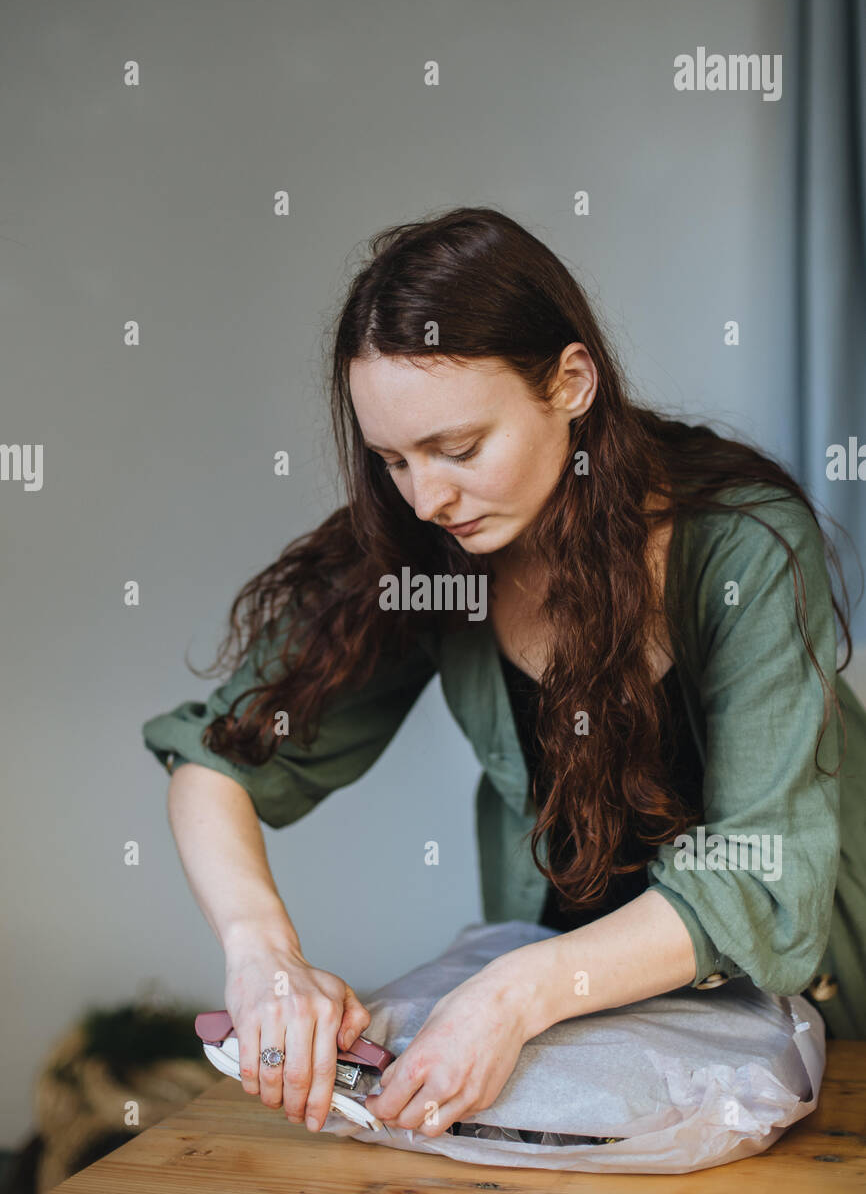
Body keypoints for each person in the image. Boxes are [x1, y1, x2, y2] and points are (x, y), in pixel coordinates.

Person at [142, 206, 866, 1142]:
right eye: (393, 459)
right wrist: (262, 955)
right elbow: (217, 761)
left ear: (570, 383)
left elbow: (761, 876)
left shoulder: (747, 542)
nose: (428, 497)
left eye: (459, 448)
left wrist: (515, 993)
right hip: (576, 1020)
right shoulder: (424, 555)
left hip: (820, 1010)